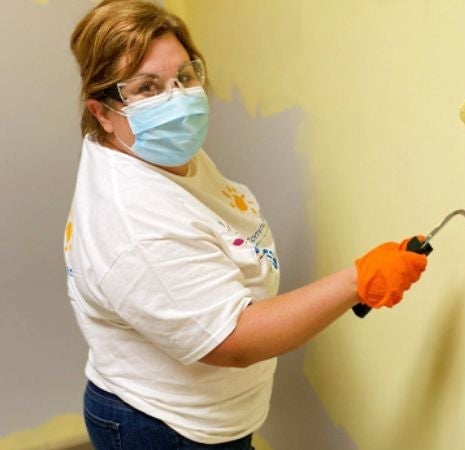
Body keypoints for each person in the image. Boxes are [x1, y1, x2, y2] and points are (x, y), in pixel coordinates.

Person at [65, 1, 428, 449]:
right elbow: (234, 339)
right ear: (101, 112)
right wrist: (358, 281)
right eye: (147, 88)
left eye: (184, 76)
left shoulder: (154, 150)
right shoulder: (135, 223)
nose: (177, 100)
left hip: (208, 414)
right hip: (167, 428)